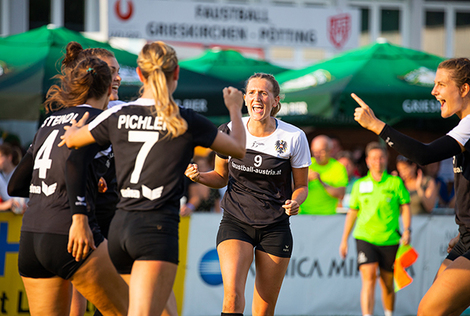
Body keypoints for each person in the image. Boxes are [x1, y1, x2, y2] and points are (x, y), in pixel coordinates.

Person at [59, 41, 246, 316]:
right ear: (176, 73)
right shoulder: (184, 119)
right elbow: (238, 149)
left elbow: (72, 141)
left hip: (120, 229)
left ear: (140, 73)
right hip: (155, 230)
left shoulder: (118, 114)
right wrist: (234, 109)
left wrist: (74, 126)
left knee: (163, 311)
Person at [351, 57, 470, 315]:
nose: (433, 91)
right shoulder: (465, 126)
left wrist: (376, 125)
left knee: (429, 311)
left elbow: (423, 154)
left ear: (464, 89)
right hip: (466, 239)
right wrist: (465, 229)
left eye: (441, 84)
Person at [7, 57, 129, 316]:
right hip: (71, 233)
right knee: (132, 311)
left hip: (32, 236)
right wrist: (79, 214)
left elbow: (16, 184)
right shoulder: (102, 119)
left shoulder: (49, 121)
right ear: (109, 89)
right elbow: (74, 162)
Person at [185, 73, 311, 316]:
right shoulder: (230, 129)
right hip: (236, 221)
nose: (257, 97)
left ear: (276, 100)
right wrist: (199, 176)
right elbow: (220, 176)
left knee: (263, 310)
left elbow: (302, 186)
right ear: (244, 99)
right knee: (232, 298)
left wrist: (296, 201)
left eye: (264, 93)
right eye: (252, 92)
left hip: (275, 227)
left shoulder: (294, 136)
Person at [339, 142, 411, 316]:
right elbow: (352, 212)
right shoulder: (359, 184)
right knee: (369, 279)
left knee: (387, 284)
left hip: (390, 239)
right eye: (374, 158)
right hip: (365, 238)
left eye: (381, 158)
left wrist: (407, 229)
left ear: (386, 159)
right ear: (367, 161)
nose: (378, 161)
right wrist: (344, 240)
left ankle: (388, 313)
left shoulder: (395, 183)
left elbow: (406, 206)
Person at [299, 135, 348, 215]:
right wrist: (305, 180)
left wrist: (321, 182)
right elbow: (290, 188)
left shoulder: (338, 168)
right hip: (303, 214)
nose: (317, 155)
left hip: (328, 216)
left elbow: (341, 194)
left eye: (321, 151)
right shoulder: (305, 165)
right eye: (315, 151)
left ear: (330, 151)